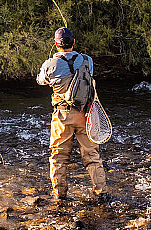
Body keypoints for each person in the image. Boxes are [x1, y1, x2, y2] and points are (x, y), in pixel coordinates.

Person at [36, 27, 108, 204]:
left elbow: (40, 81)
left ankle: (60, 196)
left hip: (62, 116)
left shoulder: (50, 64)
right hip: (86, 115)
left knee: (59, 157)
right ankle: (101, 193)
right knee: (92, 156)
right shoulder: (87, 60)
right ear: (73, 42)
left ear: (55, 44)